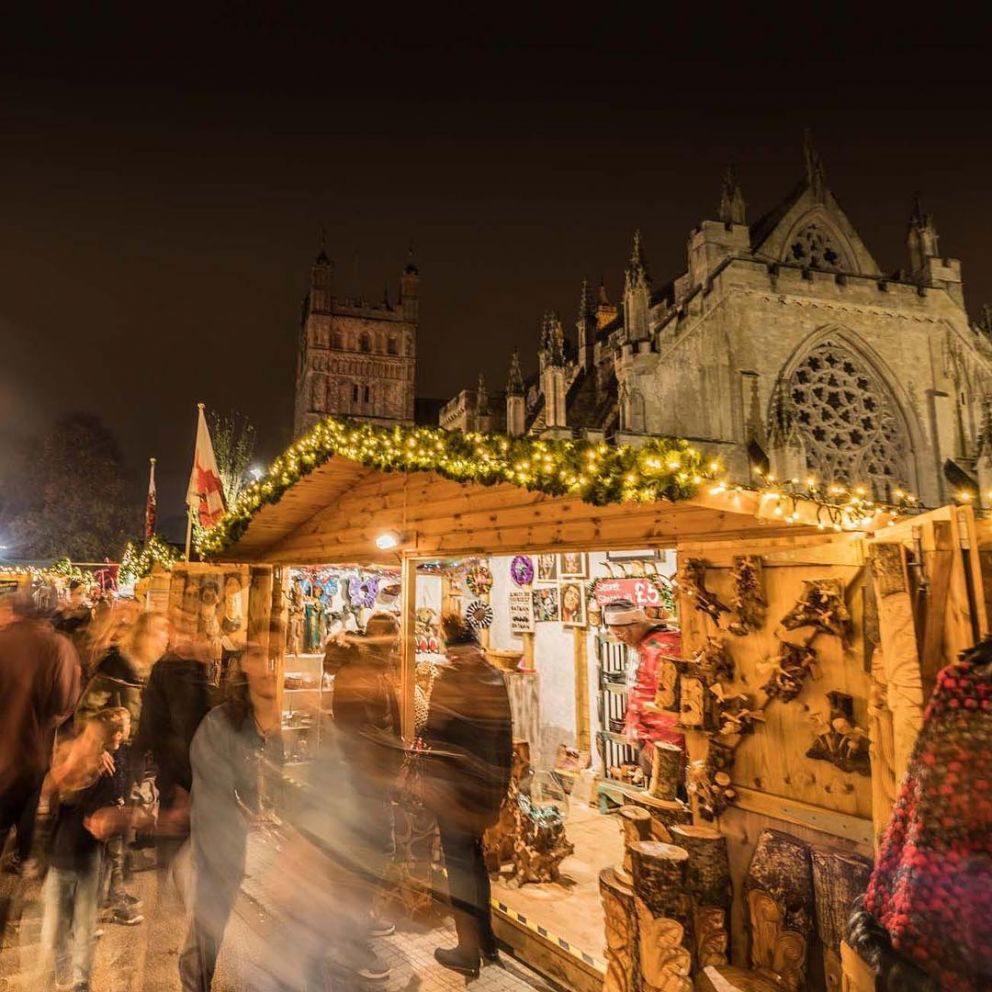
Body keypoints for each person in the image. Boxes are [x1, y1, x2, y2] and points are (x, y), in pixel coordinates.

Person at [179, 637, 282, 991]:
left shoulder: (263, 723)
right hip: (219, 834)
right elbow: (216, 788)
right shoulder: (221, 723)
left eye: (275, 659)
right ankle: (195, 982)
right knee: (210, 916)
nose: (270, 668)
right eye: (259, 657)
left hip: (238, 836)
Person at [421, 615, 512, 978]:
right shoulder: (495, 679)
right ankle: (487, 941)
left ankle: (466, 949)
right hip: (486, 790)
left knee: (459, 866)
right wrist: (501, 791)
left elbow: (432, 733)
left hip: (455, 792)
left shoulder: (450, 680)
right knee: (474, 862)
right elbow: (505, 740)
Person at [325, 613, 403, 983]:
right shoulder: (358, 675)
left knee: (376, 851)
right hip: (361, 781)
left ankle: (362, 920)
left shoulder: (376, 670)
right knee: (361, 857)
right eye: (393, 642)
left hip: (374, 779)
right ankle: (350, 943)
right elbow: (358, 731)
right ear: (380, 640)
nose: (397, 649)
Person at [36, 708, 135, 992]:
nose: (89, 744)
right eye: (86, 738)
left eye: (94, 740)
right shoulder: (67, 766)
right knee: (56, 927)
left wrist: (109, 818)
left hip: (89, 858)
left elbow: (112, 807)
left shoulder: (108, 769)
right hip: (59, 857)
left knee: (83, 926)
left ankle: (81, 982)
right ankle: (63, 974)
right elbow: (50, 788)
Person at [0, 594, 81, 909]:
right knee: (27, 821)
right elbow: (64, 701)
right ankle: (18, 896)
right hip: (32, 754)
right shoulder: (57, 647)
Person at [134, 616, 214, 873]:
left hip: (180, 777)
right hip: (184, 779)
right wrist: (182, 785)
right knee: (182, 855)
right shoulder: (179, 671)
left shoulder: (177, 669)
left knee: (180, 854)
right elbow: (179, 730)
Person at [604, 598, 684, 770]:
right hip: (648, 735)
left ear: (635, 625)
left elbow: (668, 699)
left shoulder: (661, 647)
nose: (620, 640)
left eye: (621, 634)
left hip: (664, 740)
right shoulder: (645, 645)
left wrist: (651, 736)